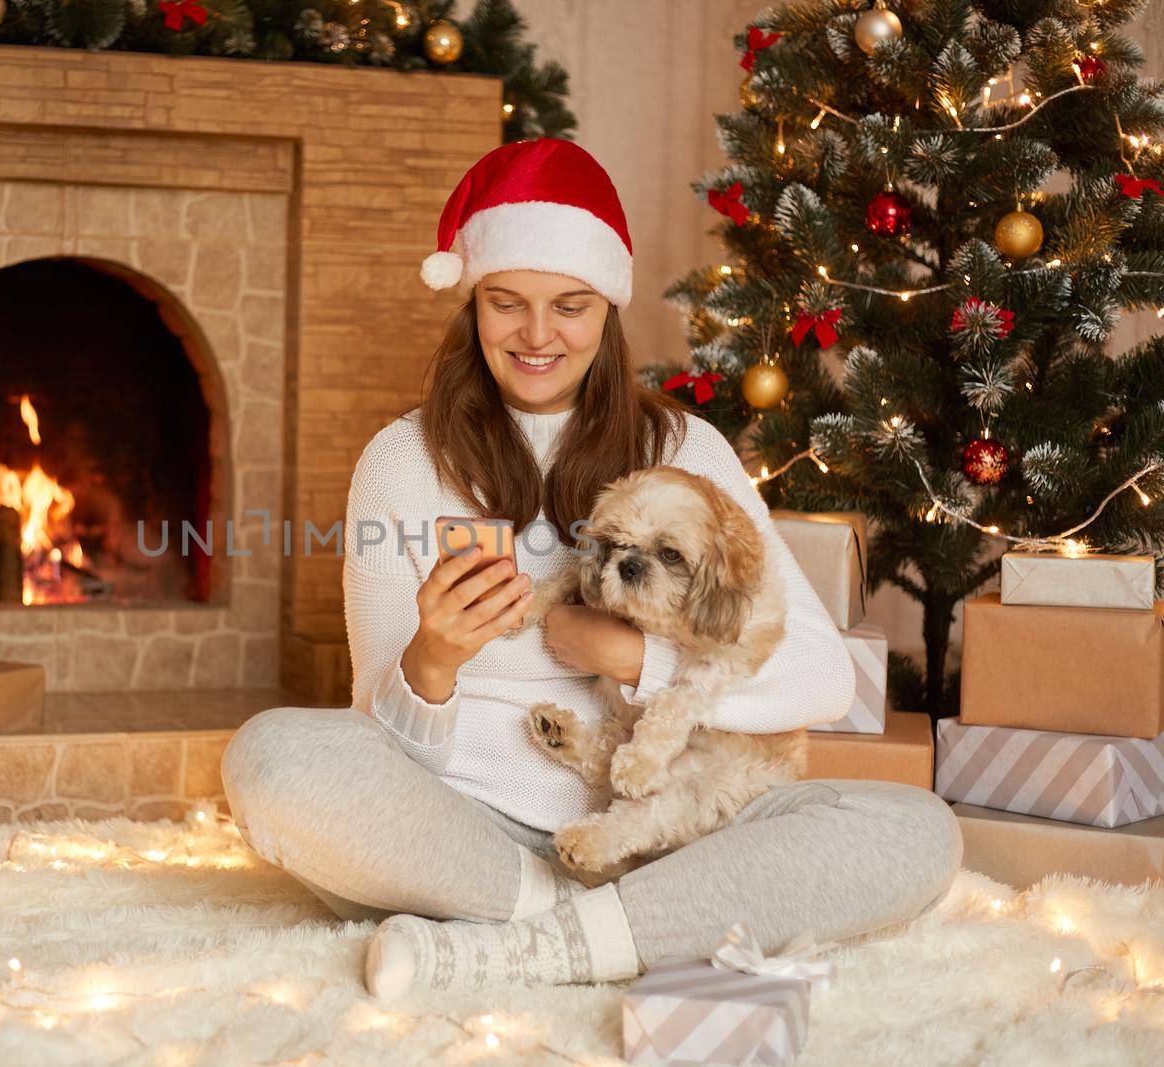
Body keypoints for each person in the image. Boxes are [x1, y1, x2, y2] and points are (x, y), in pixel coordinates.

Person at [220, 137, 961, 998]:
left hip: (673, 833)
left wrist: (629, 658)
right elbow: (376, 751)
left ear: (609, 307)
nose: (538, 335)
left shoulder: (685, 448)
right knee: (272, 759)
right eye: (507, 303)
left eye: (570, 304)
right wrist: (431, 661)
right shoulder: (400, 460)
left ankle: (520, 945)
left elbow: (821, 677)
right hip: (469, 837)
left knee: (915, 829)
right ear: (473, 306)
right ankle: (579, 924)